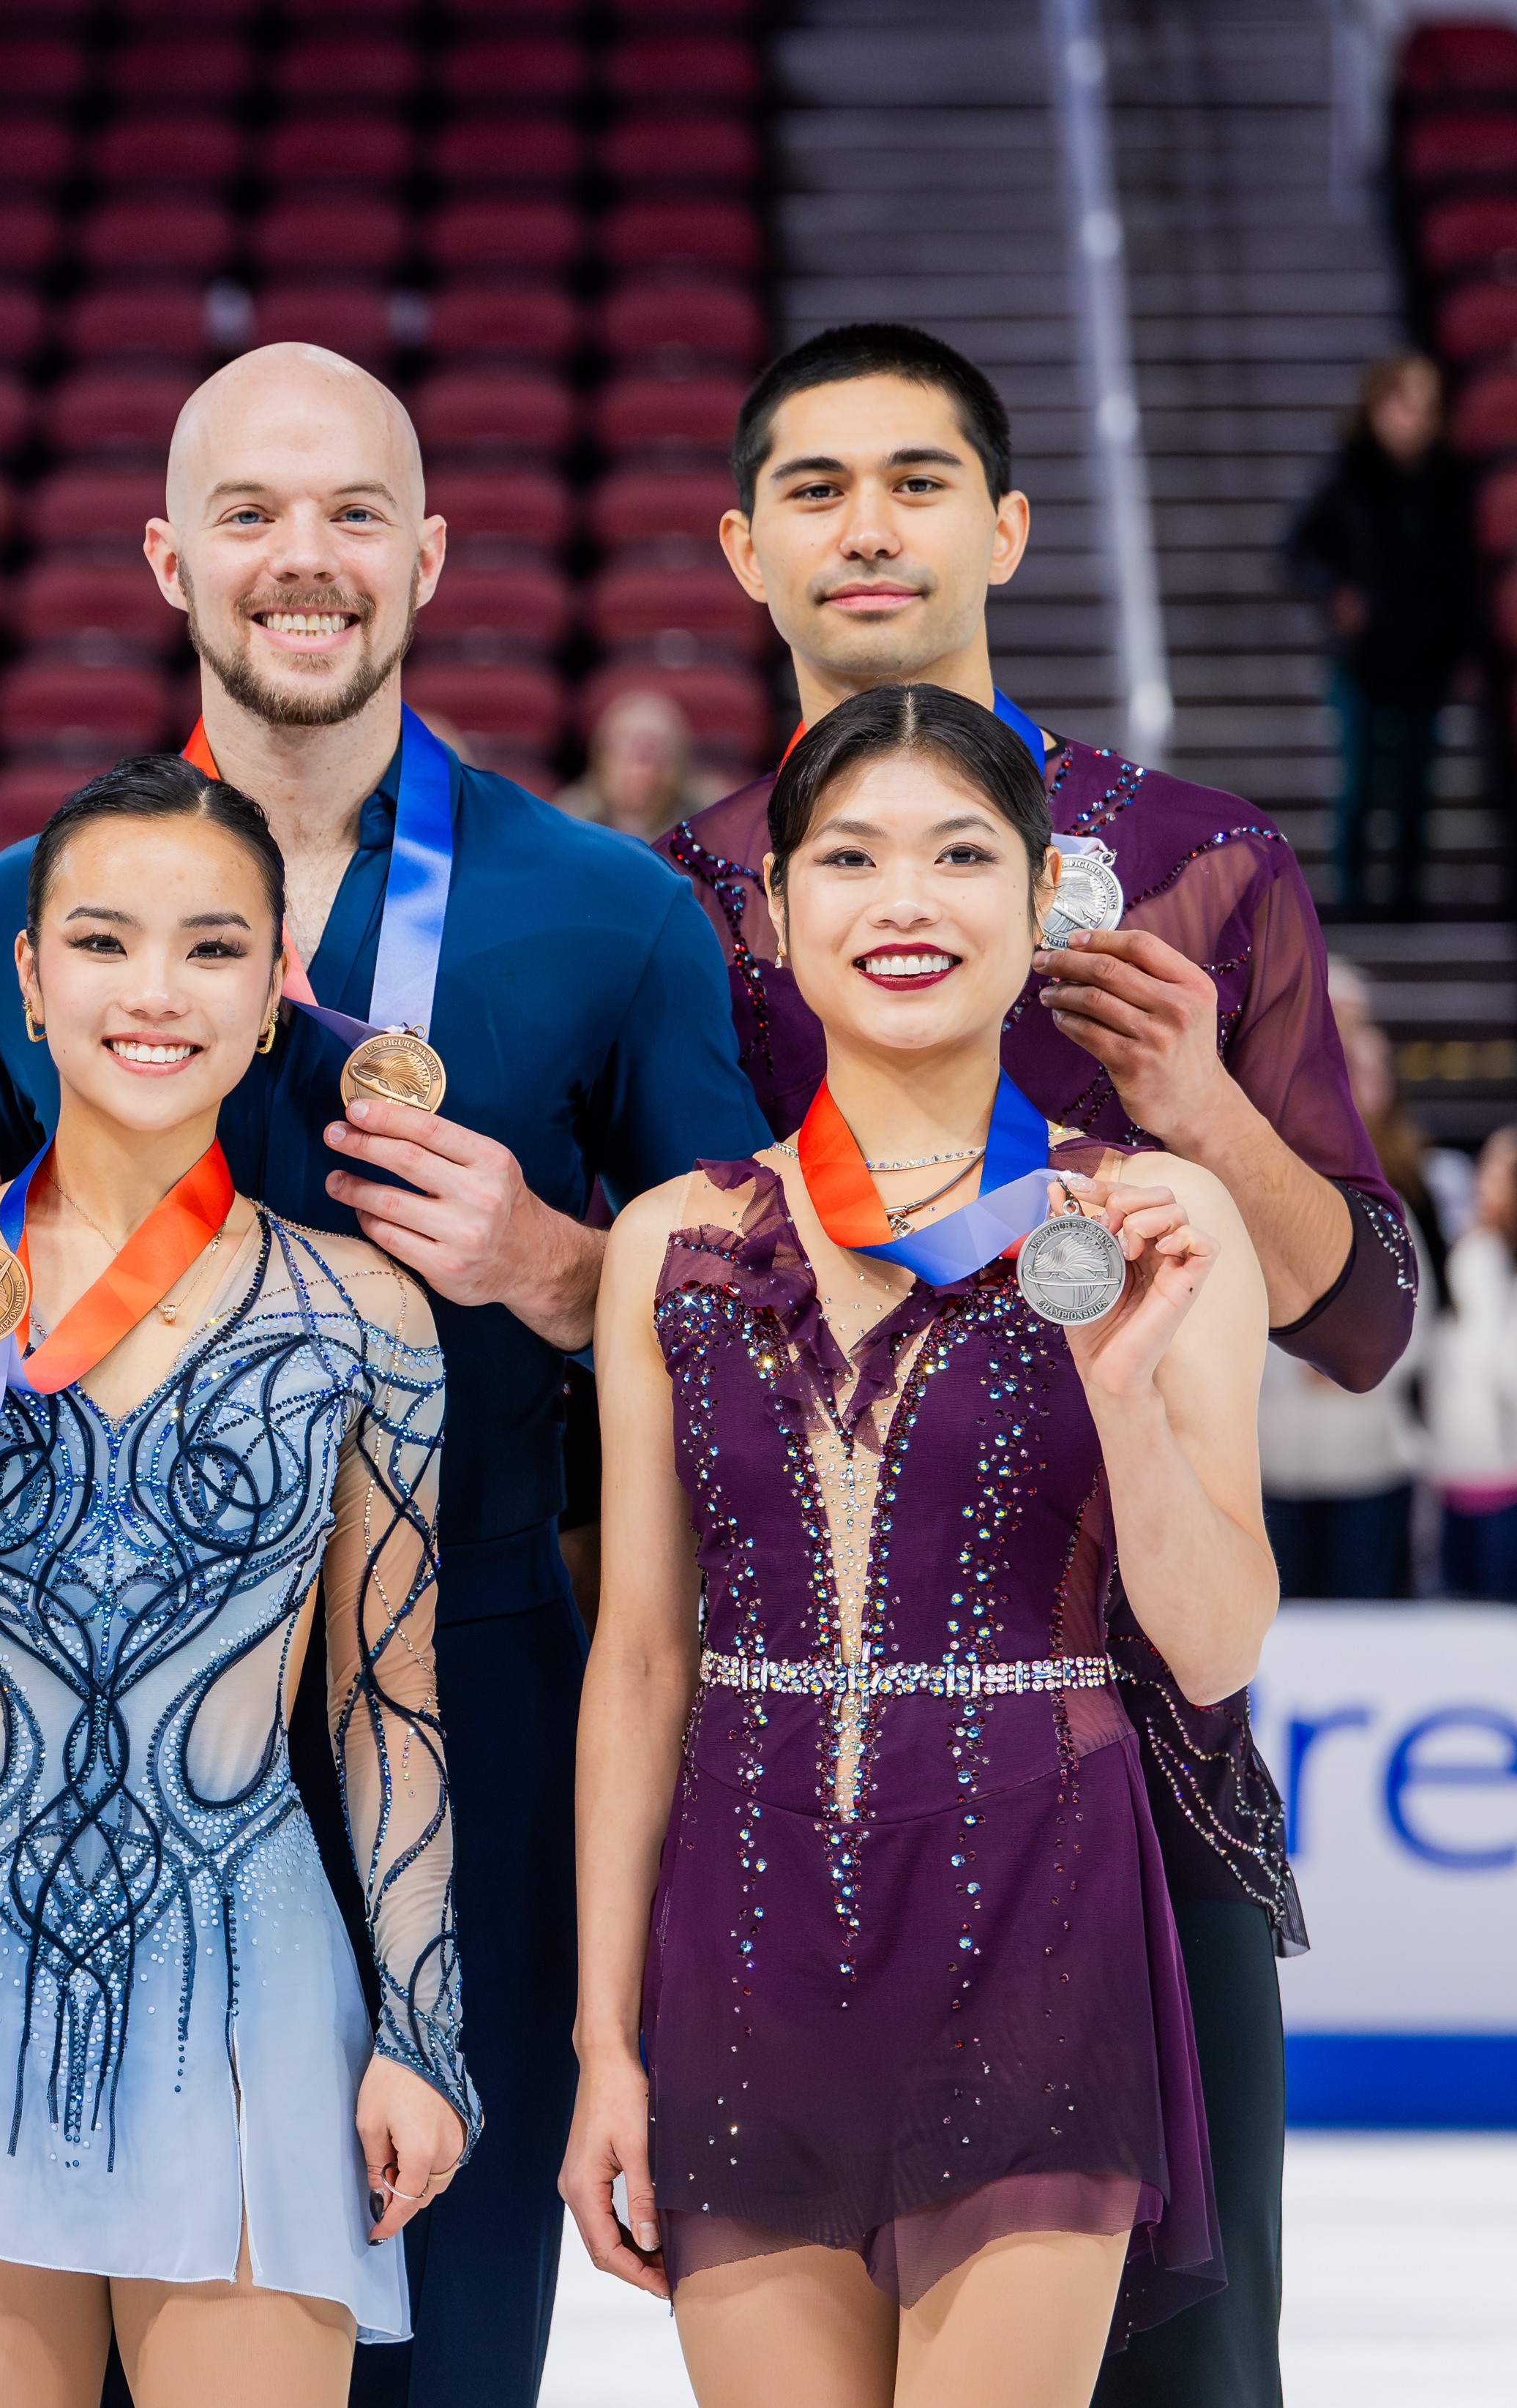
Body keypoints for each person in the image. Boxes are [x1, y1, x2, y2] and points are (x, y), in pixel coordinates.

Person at [0, 343, 771, 2408]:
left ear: (427, 552)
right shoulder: (6, 924)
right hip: (99, 1742)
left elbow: (766, 1349)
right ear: (169, 554)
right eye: (247, 513)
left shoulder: (610, 916)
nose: (299, 561)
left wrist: (554, 1261)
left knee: (447, 2360)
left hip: (473, 1700)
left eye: (349, 515)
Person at [657, 320, 1416, 2407]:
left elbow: (1362, 1321)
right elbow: (646, 1314)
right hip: (797, 1760)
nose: (869, 524)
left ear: (1005, 520)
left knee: (1186, 2372)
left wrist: (1208, 1103)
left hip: (1126, 1739)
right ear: (745, 548)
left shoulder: (1195, 860)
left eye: (918, 479)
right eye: (815, 487)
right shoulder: (690, 903)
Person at [0, 754, 471, 2403]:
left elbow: (386, 1706)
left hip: (255, 1999)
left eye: (210, 947)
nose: (153, 992)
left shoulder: (365, 1316)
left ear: (273, 991)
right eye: (100, 942)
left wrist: (420, 2032)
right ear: (25, 974)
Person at [568, 682, 1259, 2398]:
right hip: (739, 1935)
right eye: (851, 856)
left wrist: (1128, 1376)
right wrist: (600, 2044)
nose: (904, 899)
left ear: (1037, 910)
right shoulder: (673, 1239)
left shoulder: (1153, 1225)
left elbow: (1218, 1646)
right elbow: (642, 1656)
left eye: (960, 854)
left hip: (1042, 1914)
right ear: (782, 909)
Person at [1257, 964, 1434, 1599]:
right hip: (1271, 1460)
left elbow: (1420, 1318)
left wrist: (1343, 1352)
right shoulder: (1254, 1165)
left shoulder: (1398, 1196)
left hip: (1369, 1461)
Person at [1283, 353, 1476, 922]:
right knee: (1363, 778)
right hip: (1363, 655)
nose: (1413, 420)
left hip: (1427, 654)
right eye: (1403, 405)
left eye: (1426, 408)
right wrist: (1338, 593)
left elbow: (1465, 574)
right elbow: (1299, 550)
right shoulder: (1349, 475)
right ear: (1377, 409)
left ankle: (1407, 897)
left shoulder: (1450, 482)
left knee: (1417, 781)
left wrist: (1460, 645)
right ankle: (1354, 895)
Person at [1433, 1128, 1517, 1600]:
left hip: (1504, 1477)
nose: (1484, 1183)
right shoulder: (1470, 1252)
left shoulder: (1484, 1258)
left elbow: (1500, 1366)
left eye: (1501, 1172)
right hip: (1457, 1473)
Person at [553, 685, 696, 841]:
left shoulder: (705, 819)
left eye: (655, 749)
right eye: (628, 745)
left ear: (679, 765)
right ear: (602, 759)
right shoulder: (570, 819)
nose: (641, 767)